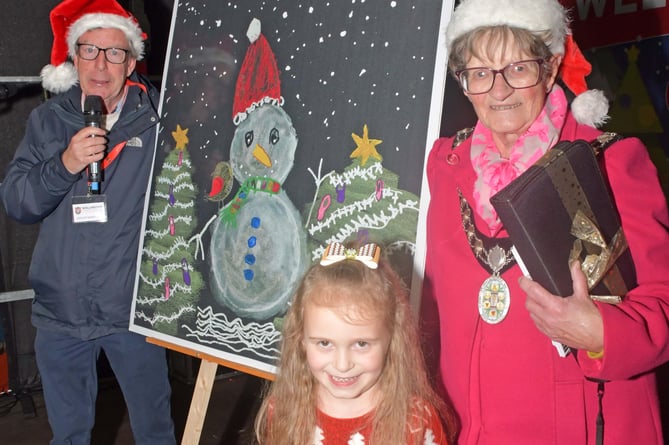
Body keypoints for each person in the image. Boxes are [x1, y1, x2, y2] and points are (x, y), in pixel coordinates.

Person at [422, 0, 669, 443]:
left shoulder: (608, 161)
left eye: (518, 68)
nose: (499, 91)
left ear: (551, 67)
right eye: (480, 73)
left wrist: (600, 333)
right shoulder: (444, 165)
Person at [0, 0, 176, 444]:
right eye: (90, 50)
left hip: (132, 314)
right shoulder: (47, 121)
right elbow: (19, 202)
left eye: (115, 52)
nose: (101, 64)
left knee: (155, 431)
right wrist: (65, 162)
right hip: (60, 315)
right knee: (69, 435)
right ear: (73, 57)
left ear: (132, 61)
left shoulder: (160, 122)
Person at [254, 242, 455, 444]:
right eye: (324, 343)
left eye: (361, 344)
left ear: (391, 340)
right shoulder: (283, 409)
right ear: (301, 340)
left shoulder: (416, 420)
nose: (342, 365)